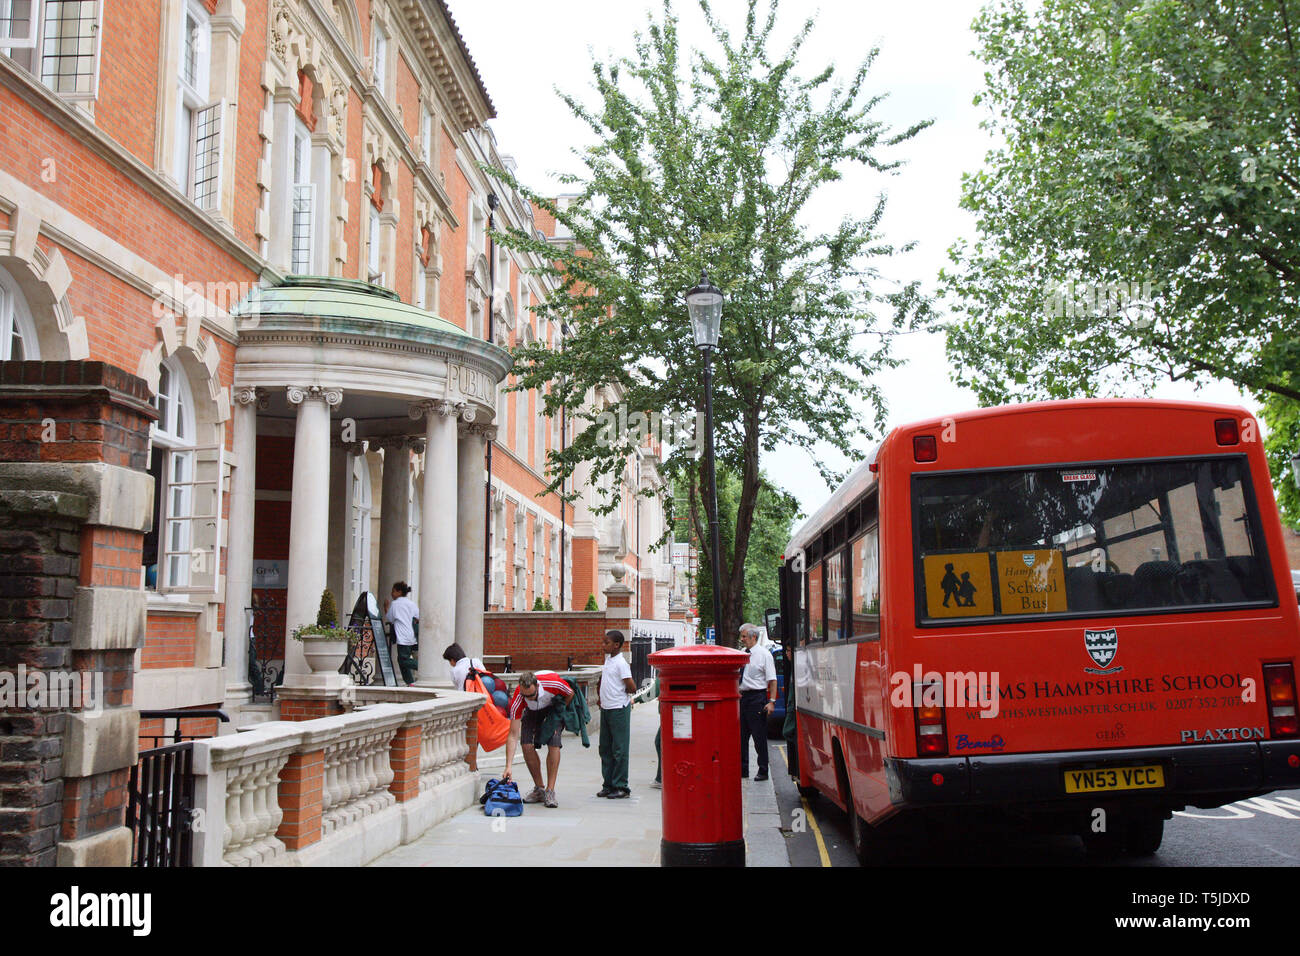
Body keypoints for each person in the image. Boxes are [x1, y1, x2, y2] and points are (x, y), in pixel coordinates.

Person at [503, 670, 574, 808]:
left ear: (537, 686)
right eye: (525, 695)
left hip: (551, 707)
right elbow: (512, 734)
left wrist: (559, 712)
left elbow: (570, 693)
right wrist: (508, 766)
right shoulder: (519, 697)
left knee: (554, 742)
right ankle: (539, 788)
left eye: (531, 695)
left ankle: (550, 790)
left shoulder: (552, 683)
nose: (528, 698)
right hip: (531, 712)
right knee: (526, 744)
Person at [596, 630, 638, 799]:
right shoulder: (608, 660)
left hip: (619, 708)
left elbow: (632, 687)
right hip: (606, 709)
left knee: (619, 749)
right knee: (605, 748)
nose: (603, 645)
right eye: (603, 642)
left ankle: (621, 786)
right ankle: (608, 785)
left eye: (606, 643)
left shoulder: (621, 663)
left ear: (617, 645)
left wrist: (621, 696)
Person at [738, 623, 777, 781]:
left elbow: (772, 680)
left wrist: (772, 701)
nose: (742, 639)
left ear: (754, 637)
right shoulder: (742, 653)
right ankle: (743, 769)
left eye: (744, 636)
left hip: (757, 698)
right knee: (741, 737)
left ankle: (763, 770)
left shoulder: (764, 654)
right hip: (743, 698)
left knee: (759, 737)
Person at [442, 643, 508, 710]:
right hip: (484, 698)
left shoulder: (454, 671)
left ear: (452, 659)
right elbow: (486, 678)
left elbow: (459, 688)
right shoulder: (476, 661)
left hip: (466, 702)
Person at [384, 582, 418, 685]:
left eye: (393, 591)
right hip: (412, 635)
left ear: (399, 592)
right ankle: (409, 682)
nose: (391, 593)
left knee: (403, 660)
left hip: (403, 637)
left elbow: (390, 618)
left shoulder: (395, 604)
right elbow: (418, 616)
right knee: (402, 660)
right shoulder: (411, 603)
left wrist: (386, 608)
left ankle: (423, 666)